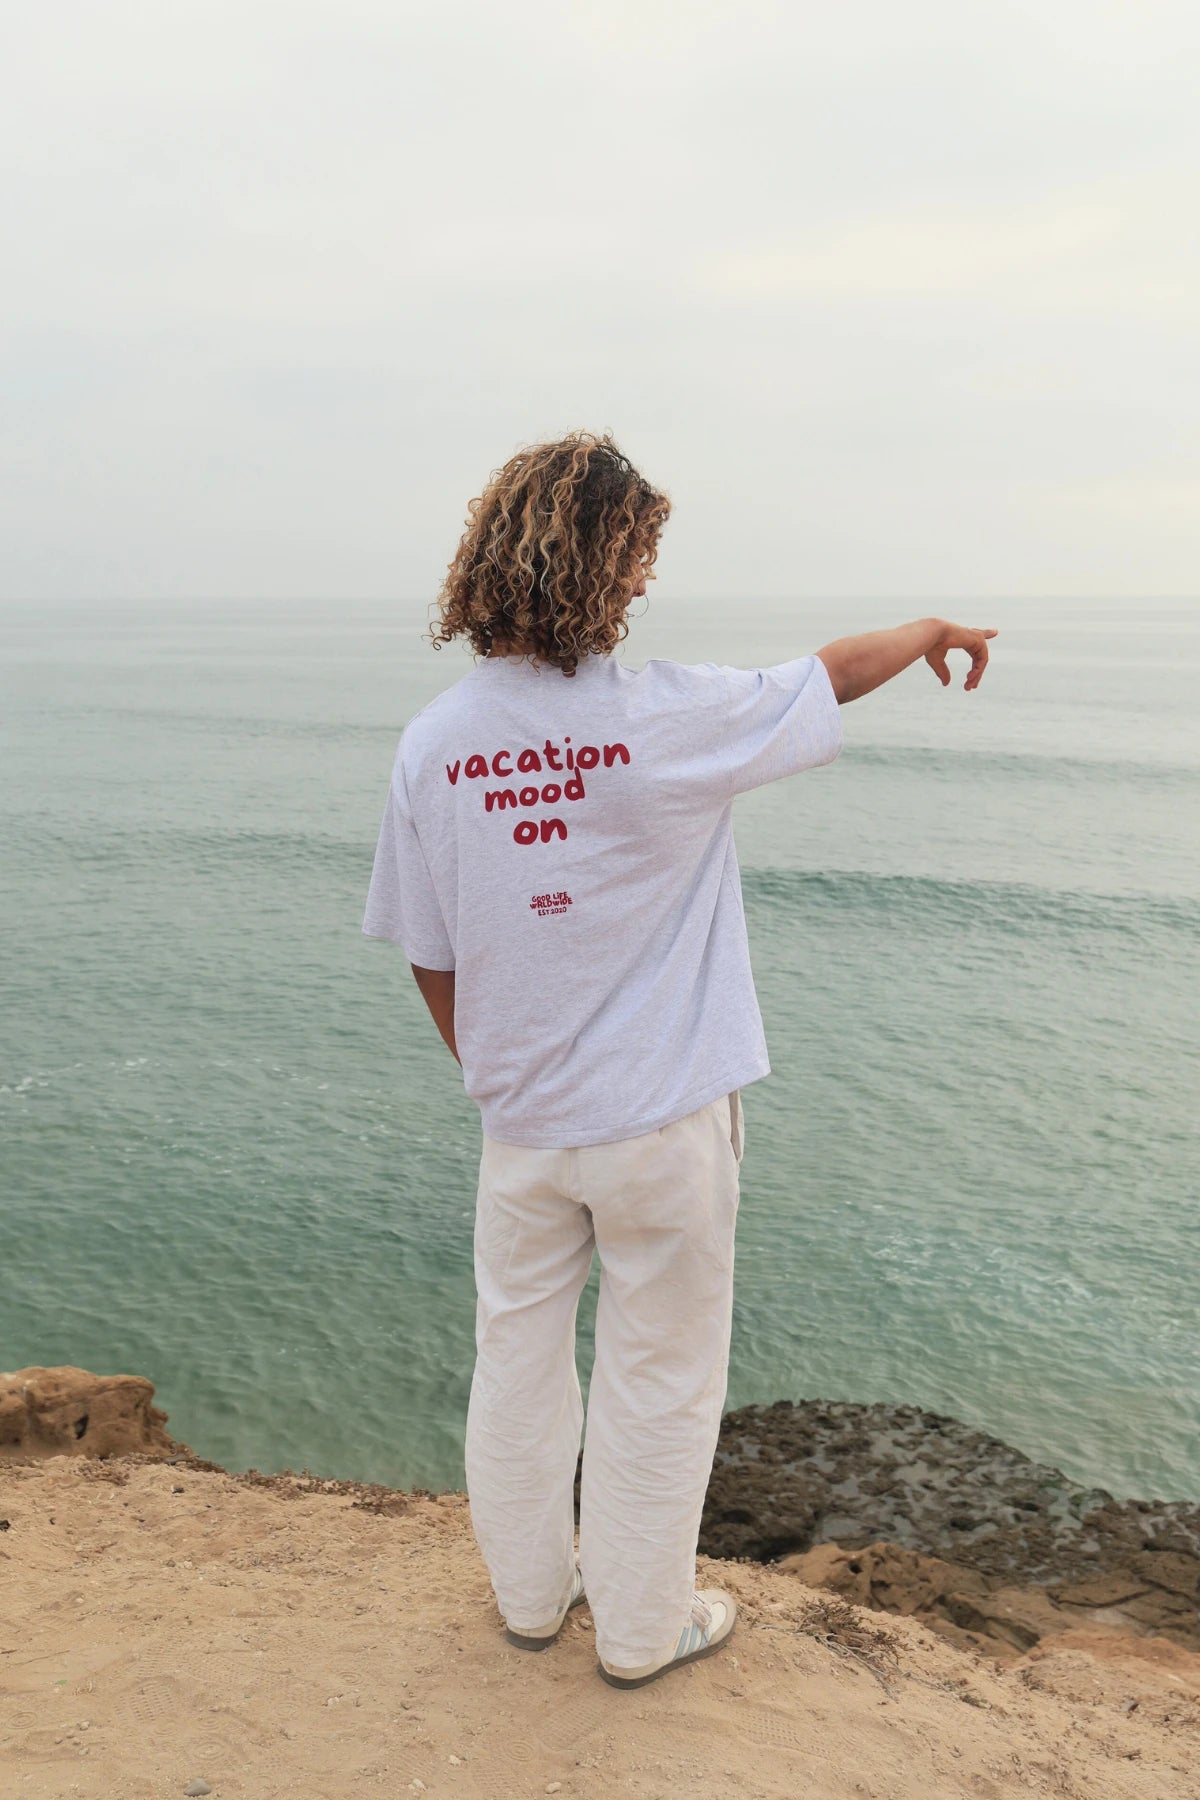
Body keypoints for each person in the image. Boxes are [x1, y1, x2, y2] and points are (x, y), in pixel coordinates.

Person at [361, 429, 997, 1689]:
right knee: (661, 1375)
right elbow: (823, 677)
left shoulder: (434, 742)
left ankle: (535, 1603)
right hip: (663, 1124)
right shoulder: (667, 718)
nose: (644, 584)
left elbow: (428, 952)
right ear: (594, 564)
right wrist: (929, 628)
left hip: (525, 1124)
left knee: (519, 1358)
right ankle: (646, 1632)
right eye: (636, 558)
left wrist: (494, 1071)